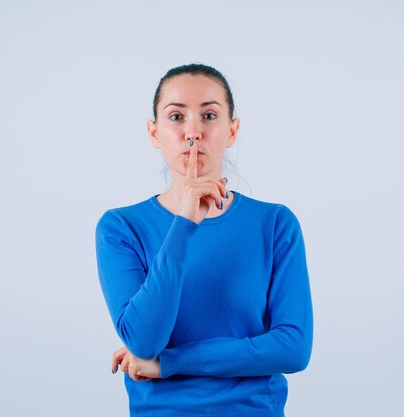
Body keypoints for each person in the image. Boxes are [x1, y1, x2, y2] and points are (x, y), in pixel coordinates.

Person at [95, 63, 313, 417]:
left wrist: (171, 362)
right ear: (154, 132)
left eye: (209, 115)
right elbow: (144, 340)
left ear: (232, 131)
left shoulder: (274, 224)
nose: (193, 132)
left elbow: (293, 348)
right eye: (176, 117)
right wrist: (183, 224)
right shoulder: (121, 227)